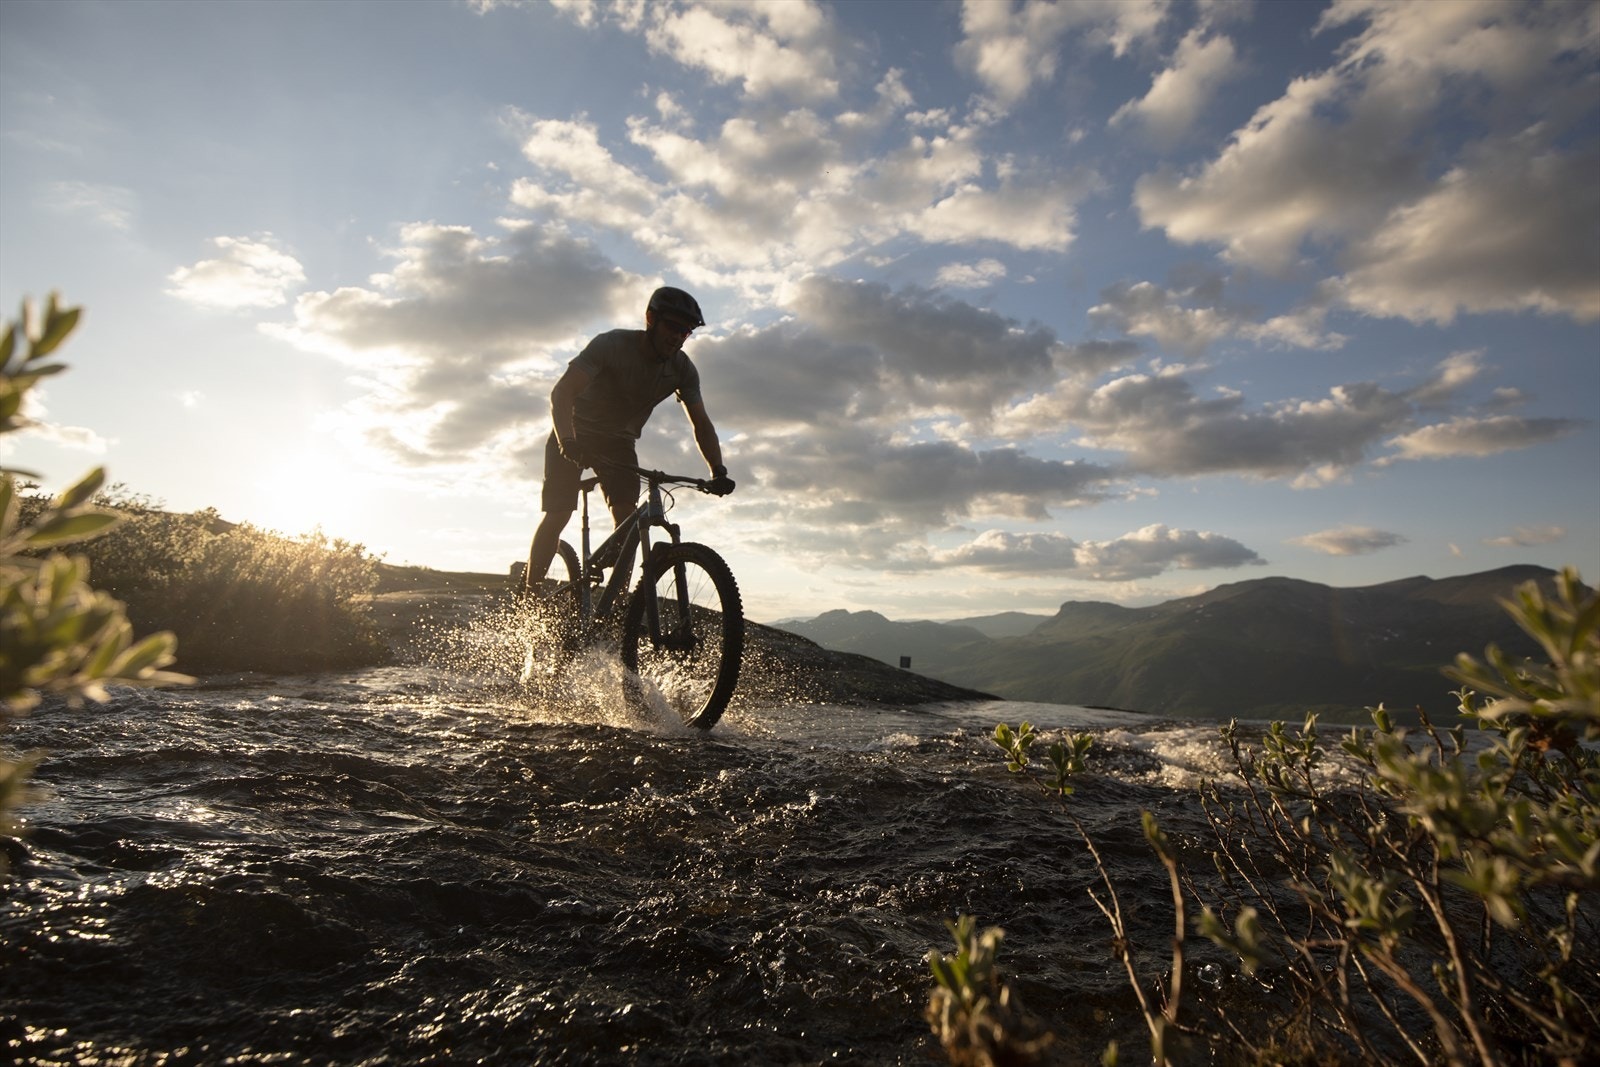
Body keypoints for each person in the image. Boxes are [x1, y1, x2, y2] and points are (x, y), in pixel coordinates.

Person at [521, 285, 734, 596]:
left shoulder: (682, 370)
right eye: (672, 327)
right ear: (650, 319)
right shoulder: (611, 345)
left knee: (628, 520)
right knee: (559, 513)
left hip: (618, 443)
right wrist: (568, 439)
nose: (677, 337)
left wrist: (718, 470)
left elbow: (701, 422)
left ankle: (615, 604)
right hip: (573, 432)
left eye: (685, 332)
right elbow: (562, 393)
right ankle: (530, 595)